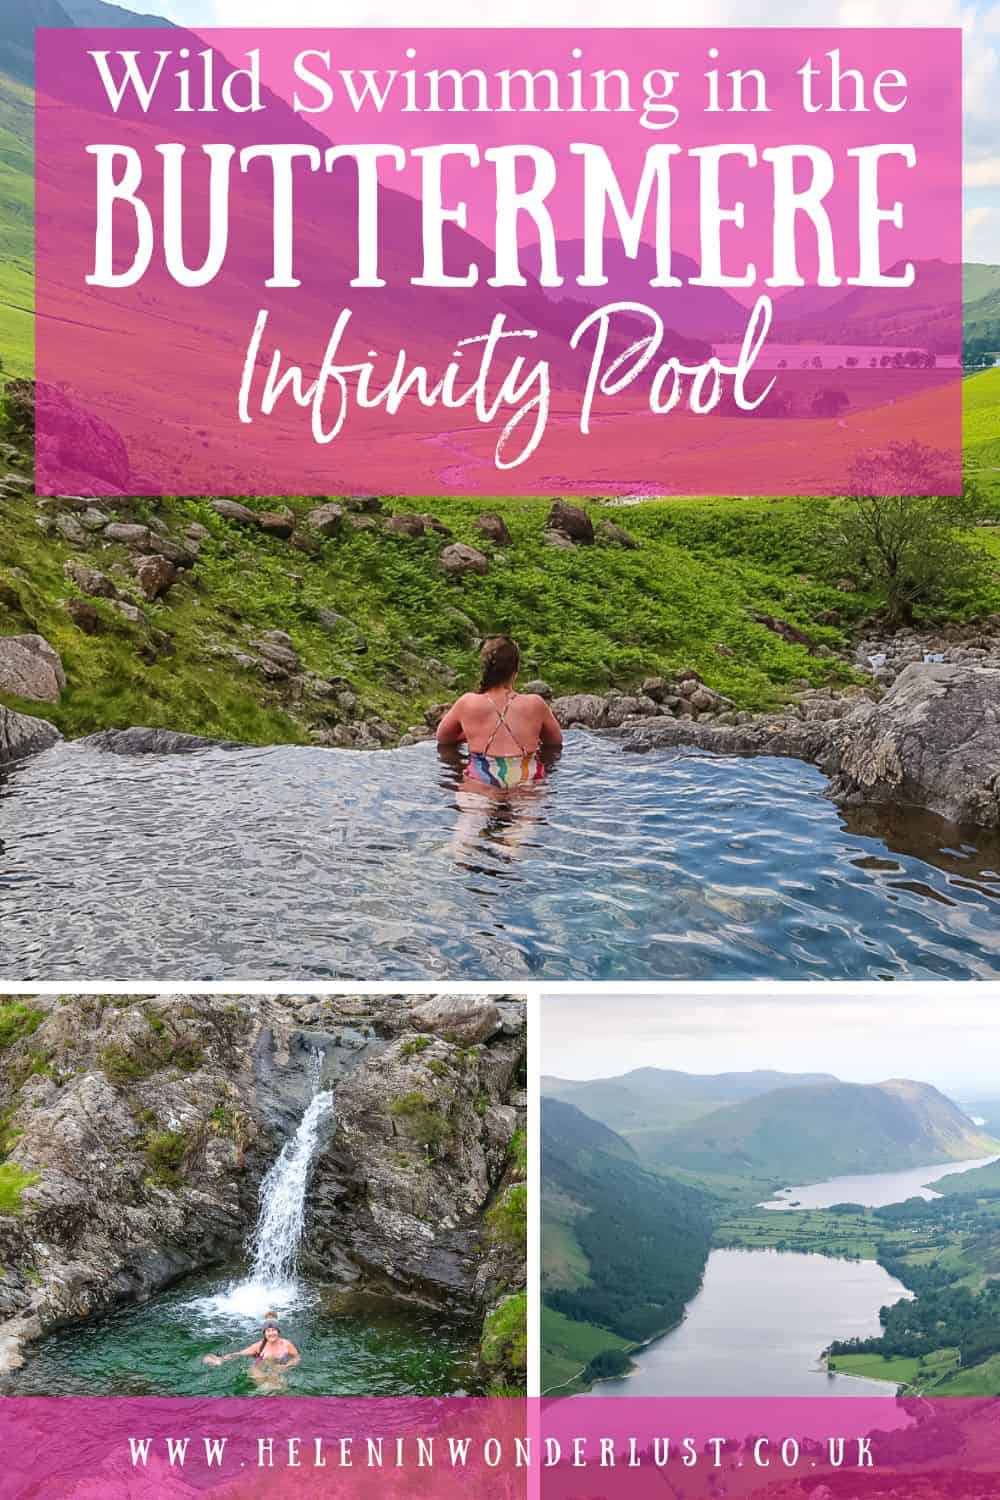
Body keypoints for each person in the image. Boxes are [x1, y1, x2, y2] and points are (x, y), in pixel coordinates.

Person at [436, 635, 562, 790]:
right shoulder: (535, 703)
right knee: (529, 813)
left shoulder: (467, 702)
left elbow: (443, 738)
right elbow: (555, 742)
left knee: (472, 814)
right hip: (525, 771)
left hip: (482, 771)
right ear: (516, 670)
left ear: (484, 670)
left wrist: (470, 734)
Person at [203, 1320, 300, 1370]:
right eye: (268, 1331)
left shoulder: (286, 1344)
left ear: (278, 1332)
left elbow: (296, 1358)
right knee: (266, 1388)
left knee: (280, 1388)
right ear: (264, 1334)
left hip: (279, 1369)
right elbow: (240, 1354)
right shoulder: (259, 1346)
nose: (271, 1333)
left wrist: (287, 1366)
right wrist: (221, 1359)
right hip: (260, 1368)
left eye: (274, 1330)